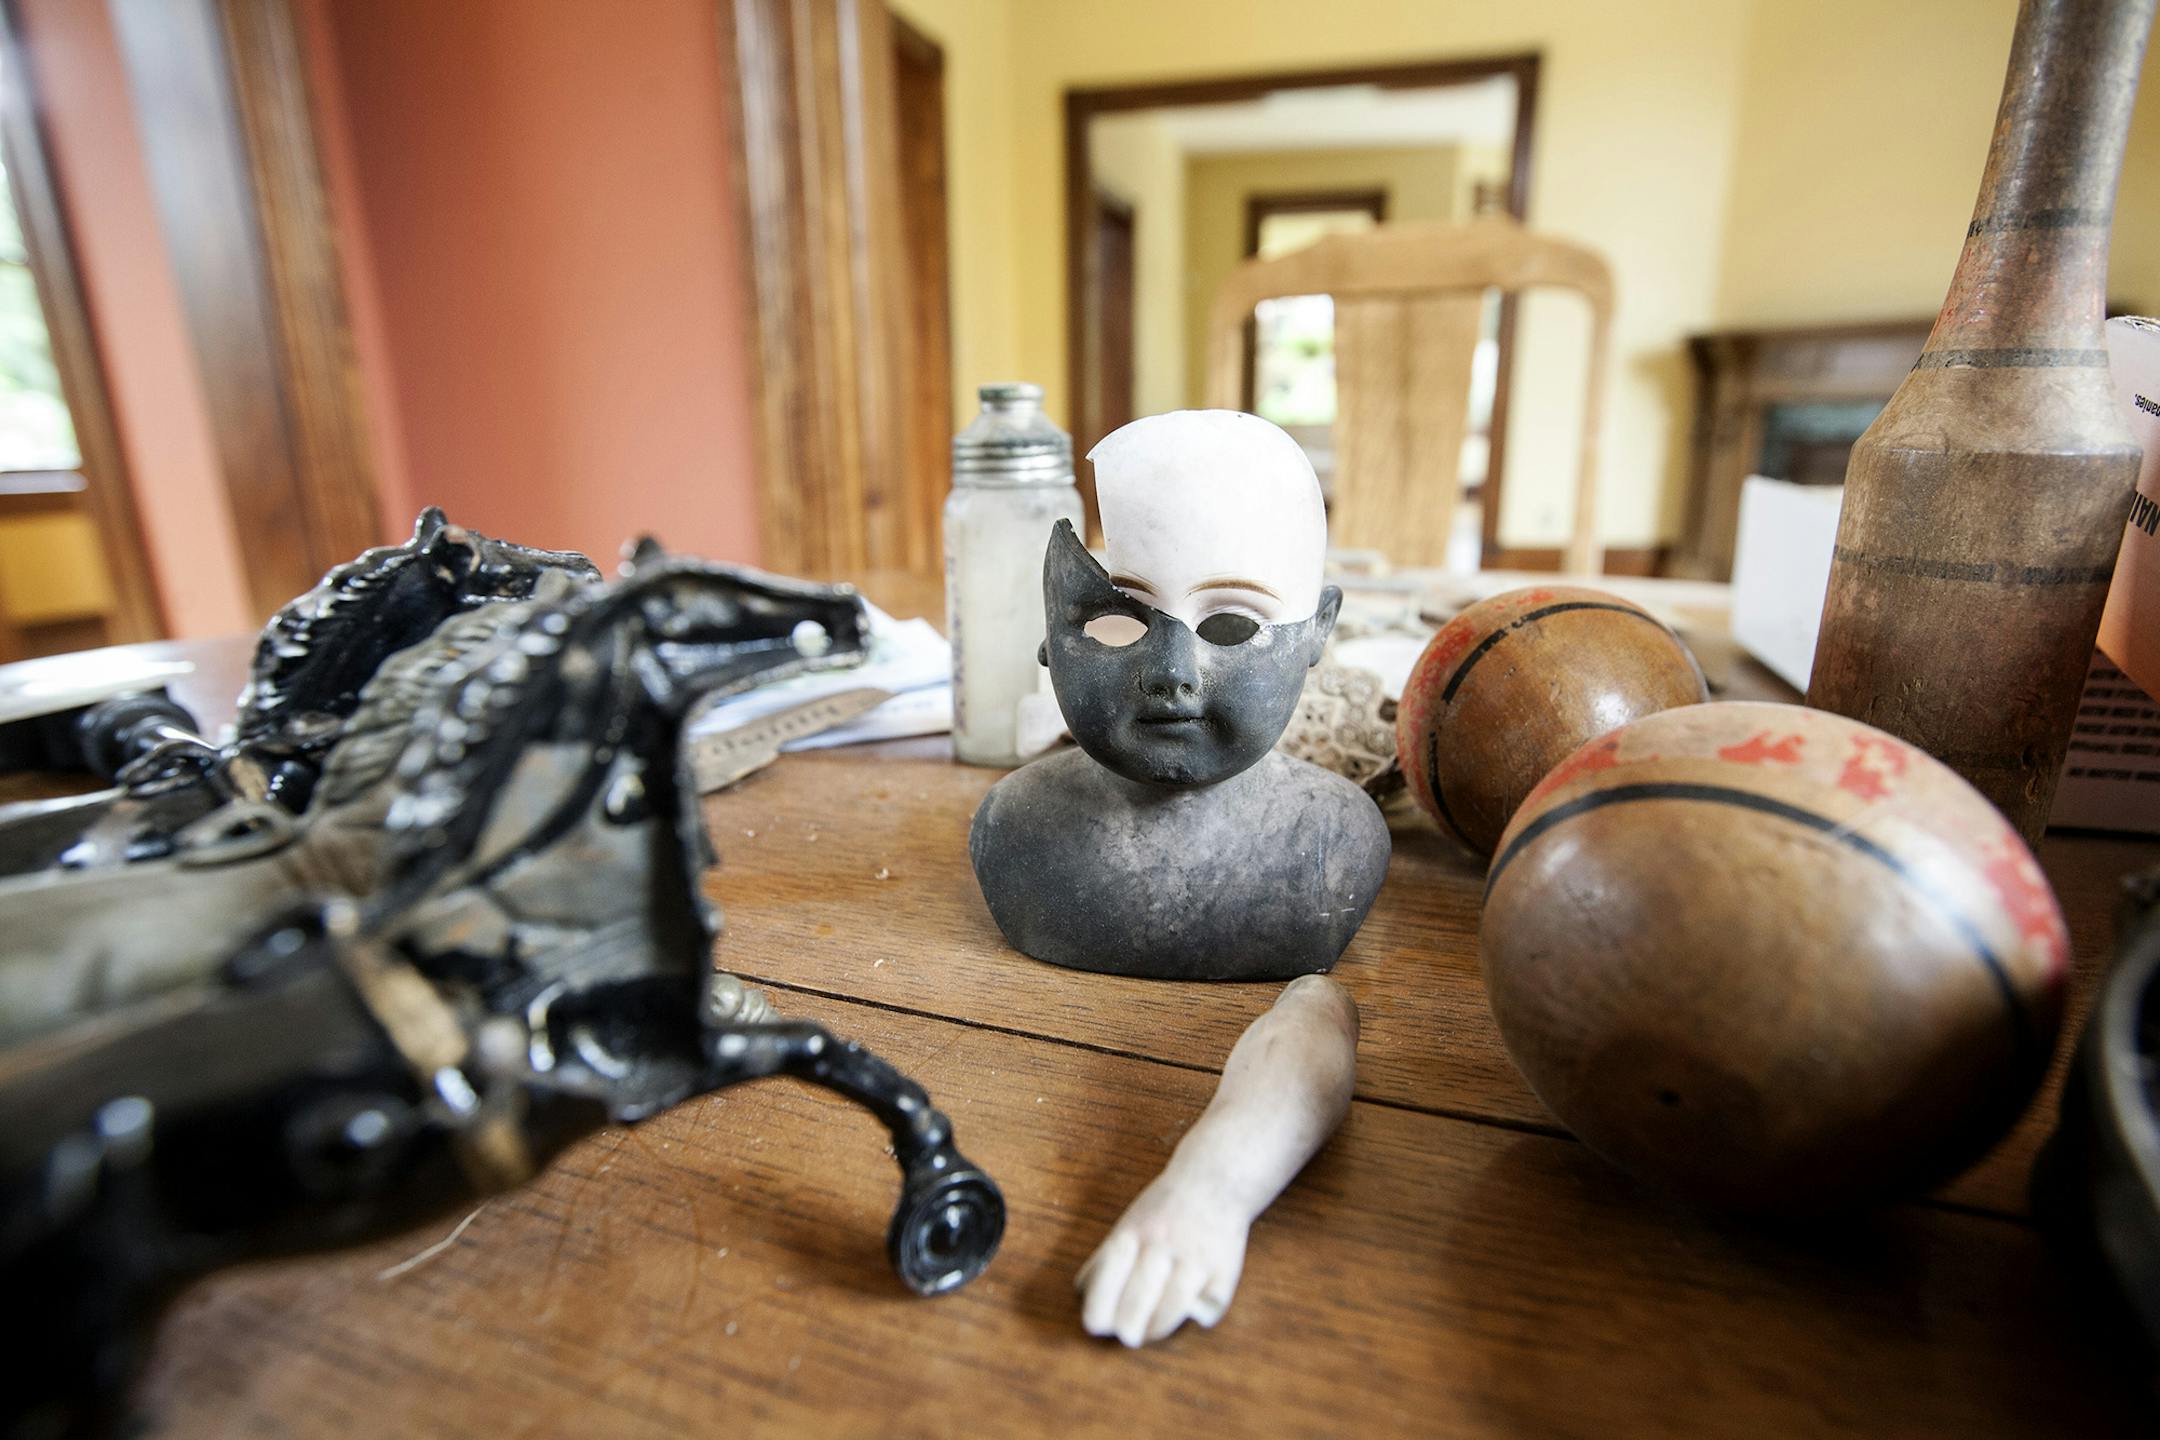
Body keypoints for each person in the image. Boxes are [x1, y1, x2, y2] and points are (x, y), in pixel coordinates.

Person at [969, 410, 1391, 980]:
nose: (1171, 673)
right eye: (1114, 621)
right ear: (1048, 638)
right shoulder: (1013, 830)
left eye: (1231, 624)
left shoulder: (1333, 845)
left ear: (1318, 629)